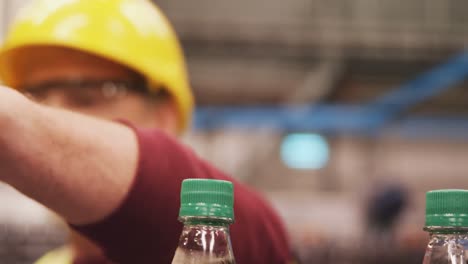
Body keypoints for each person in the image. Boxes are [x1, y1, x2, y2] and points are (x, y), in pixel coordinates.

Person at [0, 0, 292, 263]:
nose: (57, 117)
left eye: (88, 95)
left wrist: (14, 126)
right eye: (33, 97)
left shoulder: (238, 245)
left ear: (164, 117)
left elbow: (249, 232)